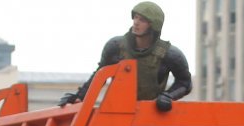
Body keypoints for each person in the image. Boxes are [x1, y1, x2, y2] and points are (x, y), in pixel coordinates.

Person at [58, 2, 192, 112]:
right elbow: (100, 75)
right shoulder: (116, 46)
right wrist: (80, 97)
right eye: (135, 18)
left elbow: (185, 83)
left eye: (143, 20)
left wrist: (168, 97)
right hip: (116, 113)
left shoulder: (169, 54)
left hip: (150, 116)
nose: (136, 23)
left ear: (153, 25)